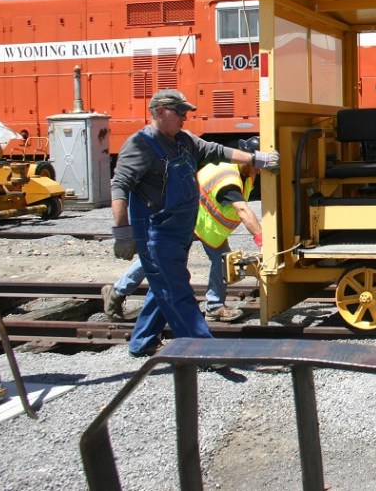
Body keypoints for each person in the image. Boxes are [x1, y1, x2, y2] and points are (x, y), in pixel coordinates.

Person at [109, 89, 278, 358]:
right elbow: (119, 186)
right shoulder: (140, 145)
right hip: (157, 231)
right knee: (177, 291)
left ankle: (142, 342)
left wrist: (257, 159)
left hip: (181, 230)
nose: (185, 117)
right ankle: (203, 351)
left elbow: (216, 150)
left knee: (163, 287)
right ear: (160, 112)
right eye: (180, 112)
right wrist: (121, 233)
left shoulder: (183, 140)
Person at [102, 137, 264, 323]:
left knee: (221, 261)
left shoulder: (243, 173)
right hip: (185, 219)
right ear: (246, 159)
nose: (259, 170)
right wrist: (262, 241)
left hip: (204, 225)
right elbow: (243, 210)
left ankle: (214, 306)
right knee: (159, 257)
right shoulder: (228, 178)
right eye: (257, 165)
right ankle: (116, 292)